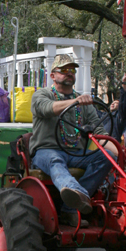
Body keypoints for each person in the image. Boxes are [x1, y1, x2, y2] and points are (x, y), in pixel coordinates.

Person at [30, 54, 118, 227]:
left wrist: (119, 156)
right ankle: (78, 194)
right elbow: (48, 109)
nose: (69, 73)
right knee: (55, 160)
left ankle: (70, 208)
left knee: (107, 157)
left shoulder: (83, 103)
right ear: (53, 75)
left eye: (72, 70)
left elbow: (100, 133)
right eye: (64, 70)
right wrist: (75, 101)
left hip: (75, 153)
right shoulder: (42, 94)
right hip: (46, 151)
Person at [96, 71, 126, 144]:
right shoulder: (103, 115)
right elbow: (92, 110)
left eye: (116, 103)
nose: (113, 103)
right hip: (98, 144)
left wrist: (123, 83)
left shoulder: (119, 118)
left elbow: (123, 105)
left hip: (112, 144)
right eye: (113, 102)